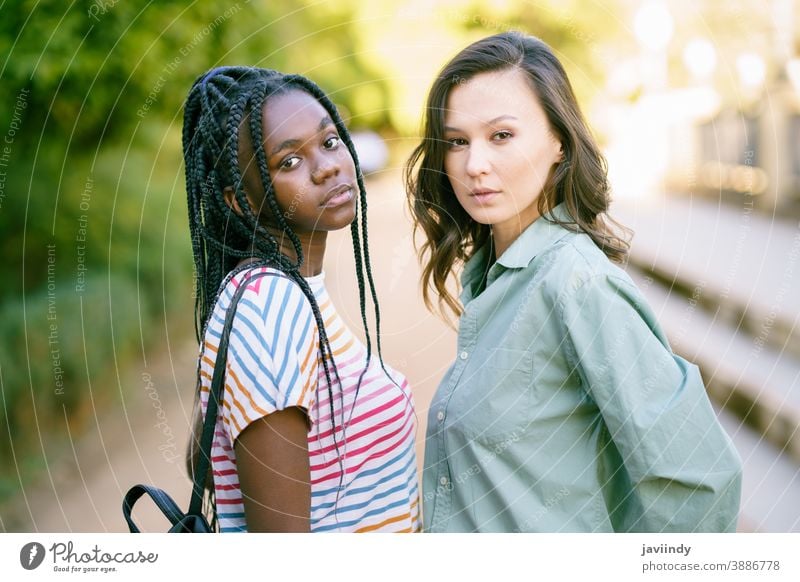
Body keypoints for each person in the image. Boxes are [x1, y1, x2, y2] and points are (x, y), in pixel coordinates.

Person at [405, 32, 742, 532]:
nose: (474, 164)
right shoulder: (492, 279)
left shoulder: (576, 284)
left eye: (501, 135)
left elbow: (700, 478)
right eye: (458, 141)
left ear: (558, 141)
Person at [183, 66, 420, 532]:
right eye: (289, 161)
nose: (328, 165)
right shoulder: (268, 306)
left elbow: (205, 463)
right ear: (241, 202)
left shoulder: (281, 293)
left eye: (329, 141)